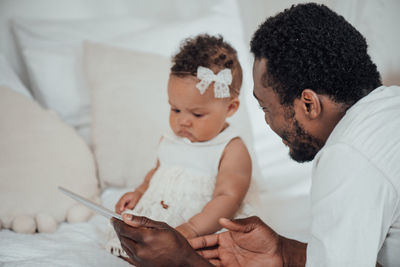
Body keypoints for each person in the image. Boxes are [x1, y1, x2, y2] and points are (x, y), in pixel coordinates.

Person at [112, 3, 400, 266]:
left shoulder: (348, 157)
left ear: (309, 104)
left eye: (266, 107)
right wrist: (284, 252)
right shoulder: (390, 109)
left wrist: (183, 260)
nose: (267, 122)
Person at [107, 34, 253, 258]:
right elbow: (157, 173)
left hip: (201, 228)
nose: (182, 120)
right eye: (175, 109)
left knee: (210, 255)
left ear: (230, 108)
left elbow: (228, 198)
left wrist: (191, 229)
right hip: (159, 219)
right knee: (133, 240)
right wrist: (139, 192)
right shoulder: (170, 138)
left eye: (197, 113)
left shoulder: (231, 149)